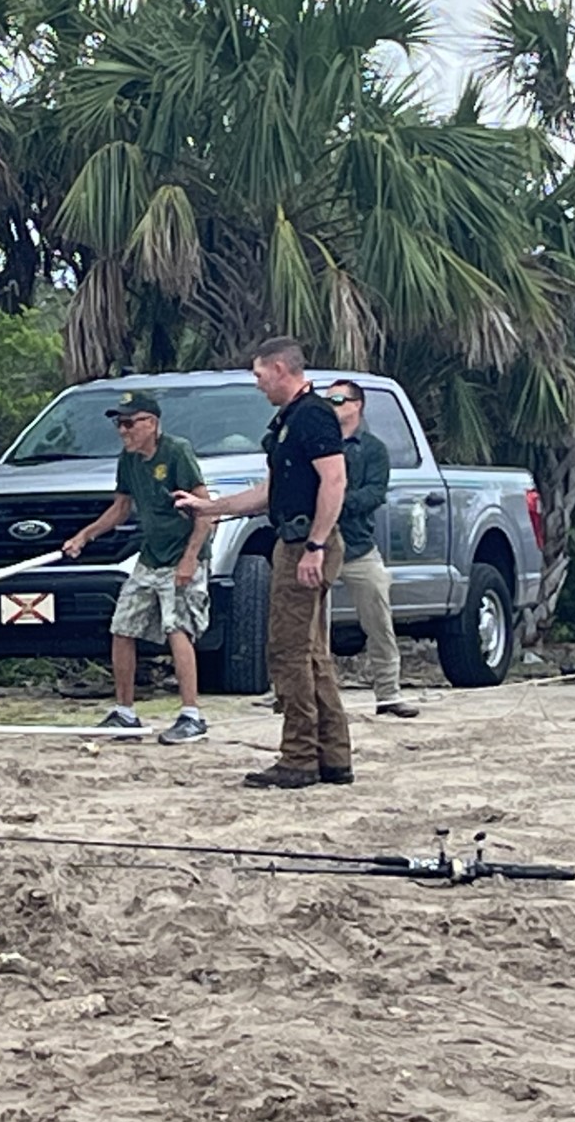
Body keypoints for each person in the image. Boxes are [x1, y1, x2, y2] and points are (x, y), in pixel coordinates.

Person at [175, 337, 352, 788]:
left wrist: (314, 545)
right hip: (294, 535)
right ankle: (333, 756)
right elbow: (268, 492)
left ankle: (299, 758)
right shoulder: (291, 419)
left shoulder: (313, 415)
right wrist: (209, 508)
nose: (257, 384)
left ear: (279, 369)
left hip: (305, 540)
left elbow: (334, 481)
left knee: (288, 652)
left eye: (258, 375)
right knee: (312, 654)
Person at [62, 390, 215, 745]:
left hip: (183, 551)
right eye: (119, 423)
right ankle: (125, 712)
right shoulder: (128, 460)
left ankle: (191, 714)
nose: (123, 431)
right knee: (123, 626)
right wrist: (84, 536)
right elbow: (120, 509)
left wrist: (190, 558)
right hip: (151, 556)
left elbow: (206, 510)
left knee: (177, 626)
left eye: (130, 423)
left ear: (152, 423)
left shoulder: (176, 452)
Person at [328, 379, 419, 719]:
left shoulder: (374, 450)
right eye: (328, 400)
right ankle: (308, 694)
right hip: (319, 546)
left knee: (379, 621)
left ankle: (389, 693)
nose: (332, 405)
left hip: (358, 547)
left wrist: (335, 502)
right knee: (309, 626)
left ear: (357, 405)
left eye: (338, 399)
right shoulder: (320, 444)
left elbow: (373, 495)